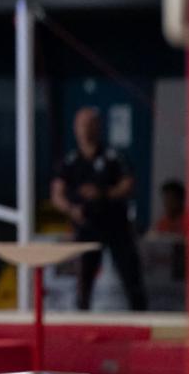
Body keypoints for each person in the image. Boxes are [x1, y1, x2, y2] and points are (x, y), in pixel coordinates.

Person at [51, 107, 148, 311]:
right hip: (87, 226)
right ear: (75, 128)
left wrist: (104, 194)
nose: (86, 130)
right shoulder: (71, 161)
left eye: (90, 124)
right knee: (84, 279)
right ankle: (82, 317)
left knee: (130, 275)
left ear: (99, 127)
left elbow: (128, 183)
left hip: (115, 224)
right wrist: (71, 209)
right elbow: (57, 194)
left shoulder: (112, 156)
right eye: (82, 125)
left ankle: (141, 314)